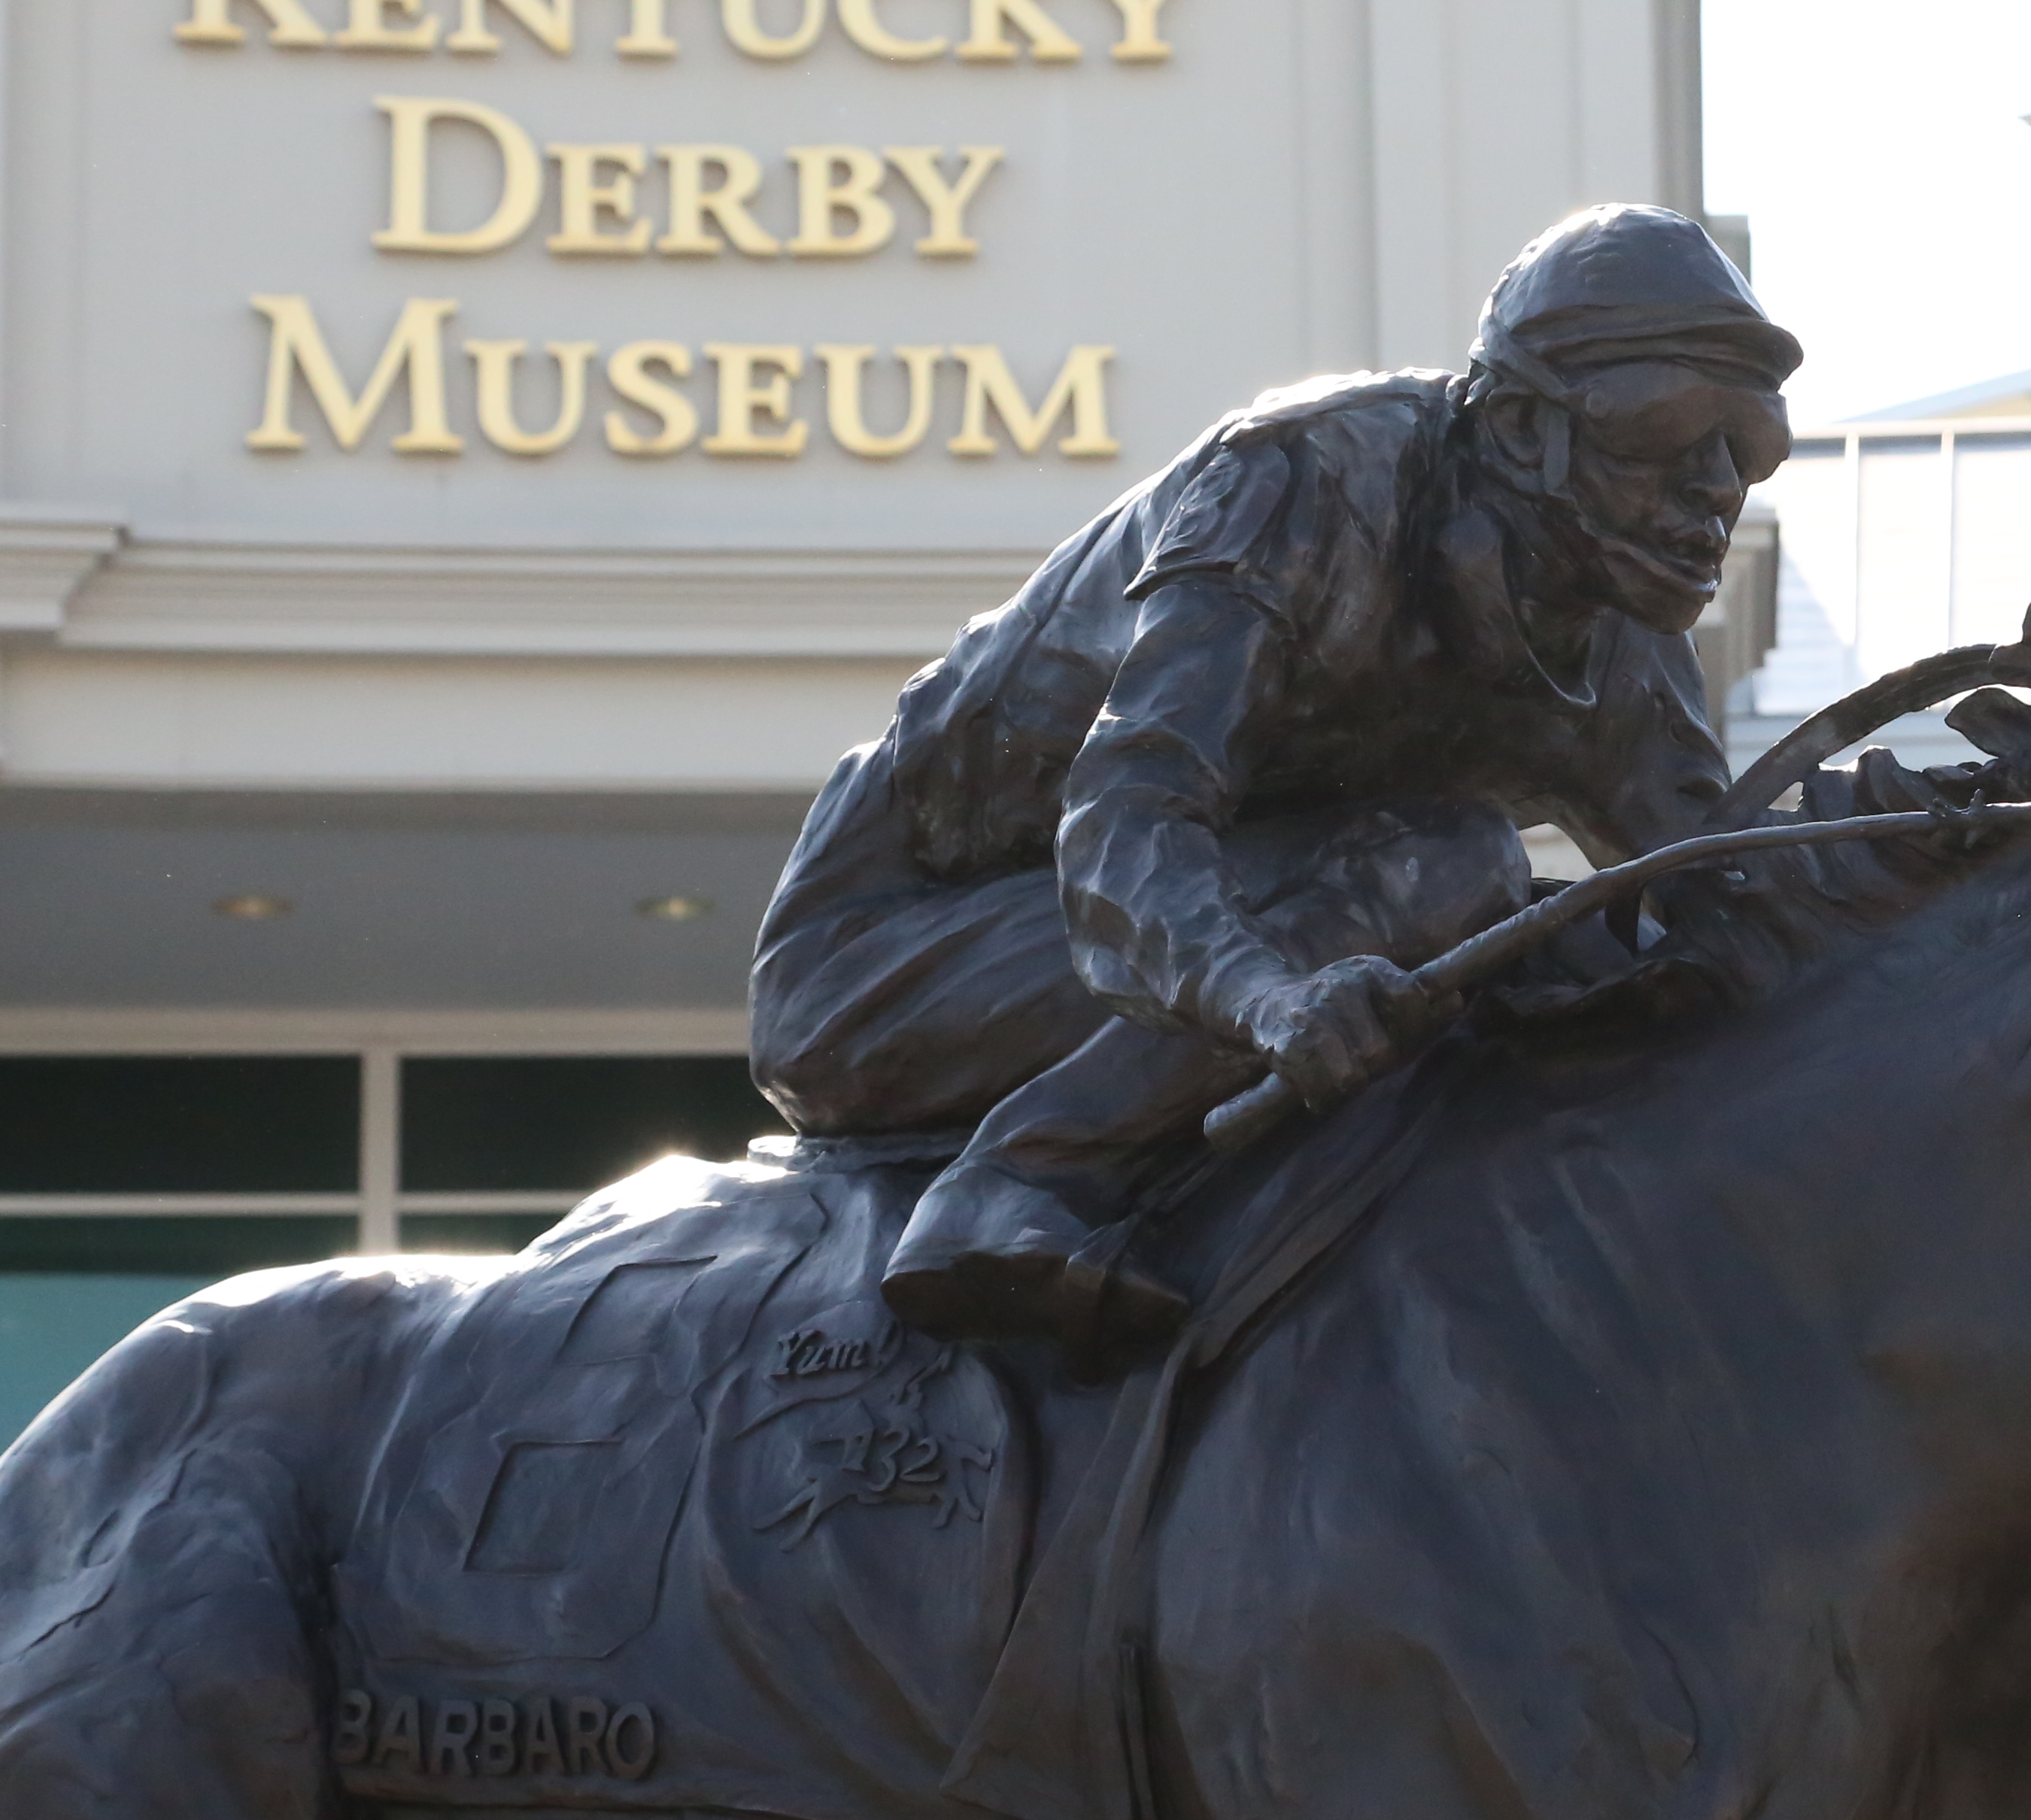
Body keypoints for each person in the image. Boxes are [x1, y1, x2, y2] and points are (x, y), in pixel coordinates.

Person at [748, 205, 1797, 1353]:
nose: (1715, 491)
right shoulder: (1299, 485)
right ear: (1515, 426)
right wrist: (1270, 997)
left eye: (1749, 447)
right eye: (1670, 431)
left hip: (1217, 940)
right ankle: (1015, 1181)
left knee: (1564, 947)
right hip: (886, 961)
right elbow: (1124, 822)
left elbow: (1729, 908)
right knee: (1450, 863)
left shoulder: (1621, 621)